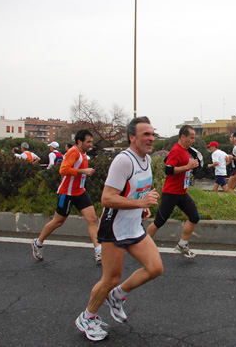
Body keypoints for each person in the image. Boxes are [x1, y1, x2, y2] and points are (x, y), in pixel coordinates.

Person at [76, 117, 162, 342]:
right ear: (132, 137)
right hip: (113, 227)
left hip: (133, 225)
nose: (151, 138)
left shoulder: (148, 160)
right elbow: (107, 198)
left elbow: (135, 192)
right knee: (110, 278)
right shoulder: (123, 161)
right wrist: (140, 203)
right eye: (146, 134)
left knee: (155, 268)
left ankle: (117, 296)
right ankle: (87, 317)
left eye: (152, 134)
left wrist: (142, 208)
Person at [31, 130, 102, 262]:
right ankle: (38, 242)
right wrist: (83, 171)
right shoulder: (73, 152)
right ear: (80, 142)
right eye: (88, 142)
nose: (91, 144)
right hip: (67, 193)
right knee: (58, 222)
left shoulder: (84, 153)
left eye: (91, 142)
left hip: (80, 191)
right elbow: (63, 169)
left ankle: (98, 250)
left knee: (92, 219)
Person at [146, 125, 200, 258]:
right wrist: (187, 166)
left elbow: (167, 160)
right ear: (183, 137)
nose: (193, 140)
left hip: (182, 193)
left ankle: (182, 244)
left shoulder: (185, 150)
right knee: (159, 221)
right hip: (171, 193)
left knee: (194, 217)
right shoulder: (177, 149)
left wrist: (191, 166)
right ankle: (142, 246)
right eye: (191, 138)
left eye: (194, 138)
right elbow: (168, 169)